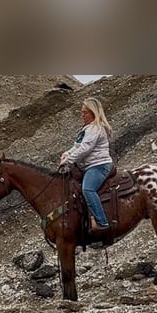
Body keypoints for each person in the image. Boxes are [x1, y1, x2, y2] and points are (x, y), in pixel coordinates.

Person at [59, 97, 113, 231]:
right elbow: (78, 146)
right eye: (82, 112)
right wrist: (67, 153)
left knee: (87, 189)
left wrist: (68, 160)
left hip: (99, 166)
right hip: (90, 166)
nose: (82, 115)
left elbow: (85, 148)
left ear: (93, 113)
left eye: (85, 113)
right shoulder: (87, 128)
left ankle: (102, 223)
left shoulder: (95, 128)